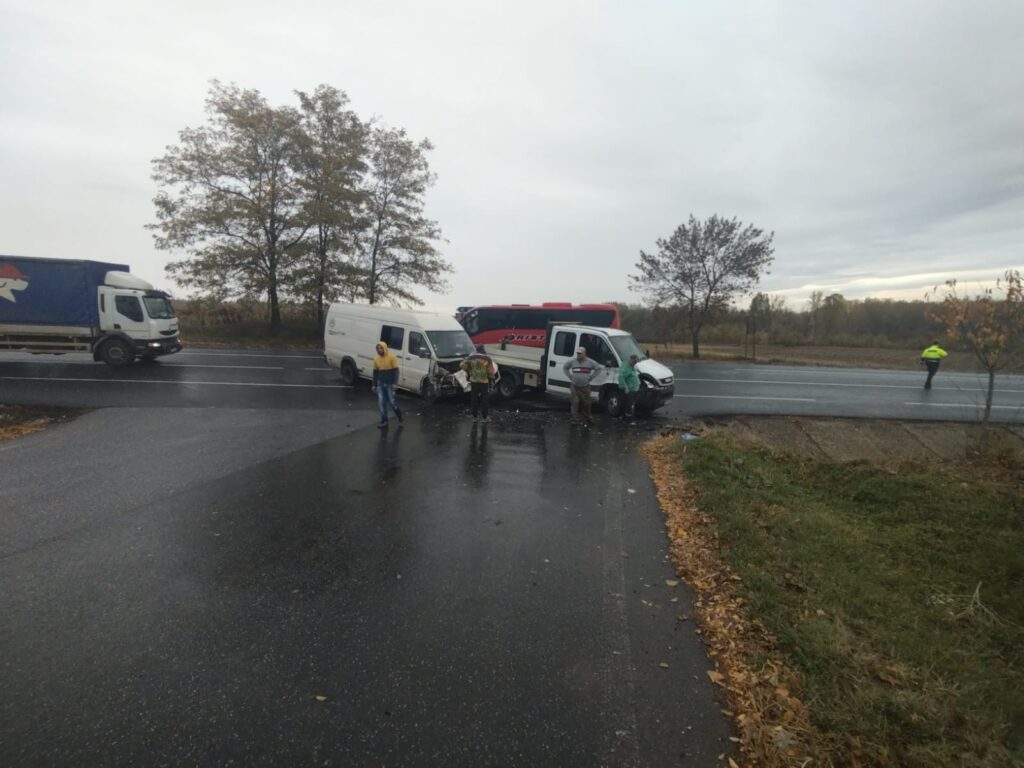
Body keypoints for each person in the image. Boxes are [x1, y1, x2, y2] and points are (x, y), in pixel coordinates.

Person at [563, 346, 602, 425]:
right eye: (578, 353)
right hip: (574, 386)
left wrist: (591, 377)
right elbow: (565, 367)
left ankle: (588, 418)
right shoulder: (572, 361)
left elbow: (598, 369)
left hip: (585, 387)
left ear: (584, 353)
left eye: (580, 353)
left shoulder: (590, 362)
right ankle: (574, 419)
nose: (579, 355)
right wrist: (570, 376)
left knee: (587, 403)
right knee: (575, 402)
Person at [460, 344, 496, 422]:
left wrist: (469, 369)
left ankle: (474, 417)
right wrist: (492, 379)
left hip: (474, 381)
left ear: (477, 350)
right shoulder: (487, 359)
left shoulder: (471, 358)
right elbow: (490, 371)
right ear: (483, 350)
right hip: (484, 382)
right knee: (484, 400)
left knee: (474, 399)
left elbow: (462, 365)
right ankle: (484, 417)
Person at [372, 341, 403, 428]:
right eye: (378, 348)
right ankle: (384, 421)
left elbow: (396, 371)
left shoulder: (392, 357)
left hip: (390, 384)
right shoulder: (376, 359)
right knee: (381, 403)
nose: (379, 350)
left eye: (381, 348)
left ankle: (399, 415)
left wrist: (395, 383)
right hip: (380, 384)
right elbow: (375, 372)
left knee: (392, 402)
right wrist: (374, 385)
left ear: (385, 348)